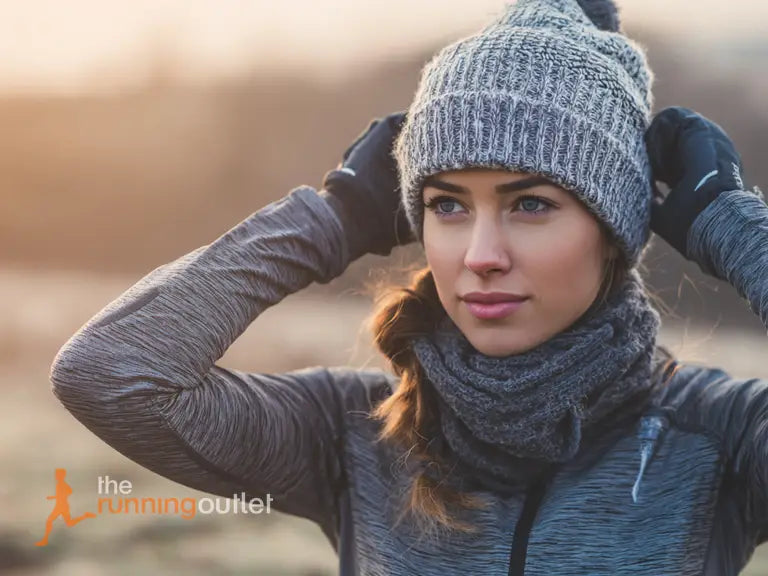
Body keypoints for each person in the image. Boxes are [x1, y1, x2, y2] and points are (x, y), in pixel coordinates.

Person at [48, 0, 768, 574]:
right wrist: (328, 221)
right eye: (447, 205)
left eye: (531, 204)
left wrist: (731, 227)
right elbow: (109, 373)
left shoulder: (717, 442)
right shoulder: (354, 435)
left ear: (614, 230)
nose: (480, 255)